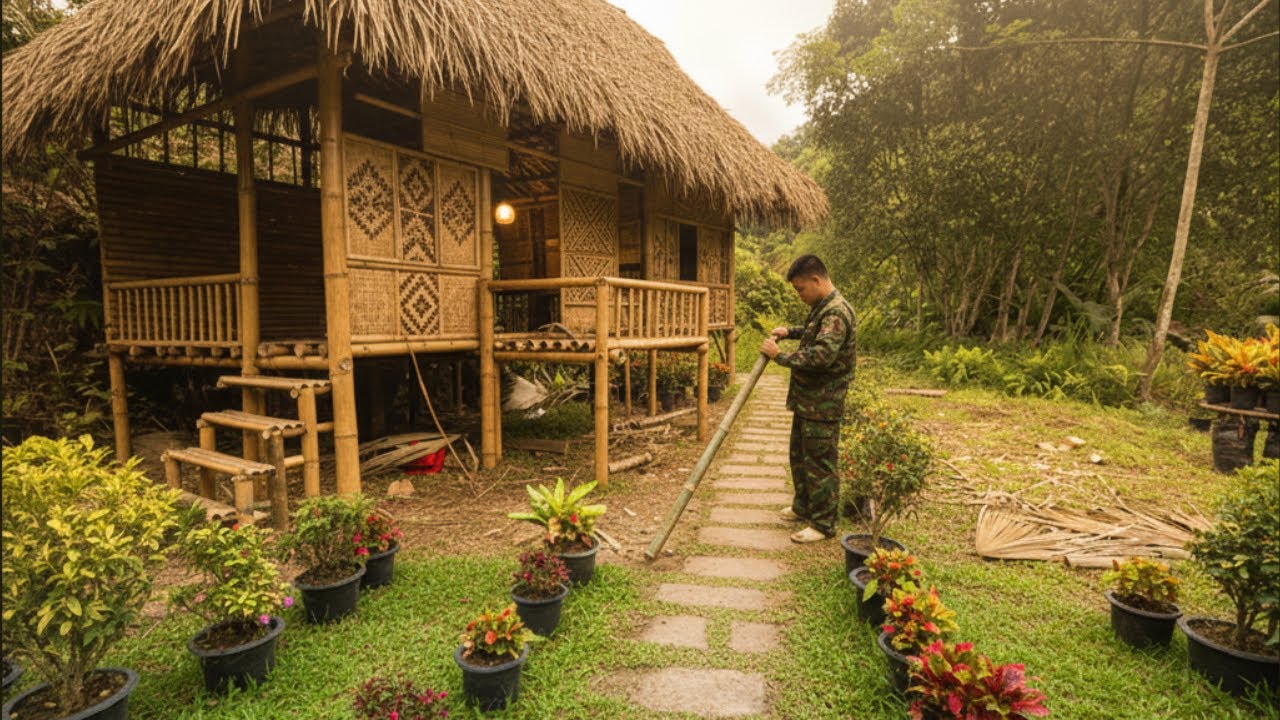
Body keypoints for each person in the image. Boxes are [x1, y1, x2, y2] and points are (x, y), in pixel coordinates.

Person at [760, 254, 856, 543]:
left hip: (823, 404)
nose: (799, 295)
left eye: (800, 289)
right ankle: (803, 507)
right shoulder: (823, 307)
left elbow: (822, 355)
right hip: (809, 401)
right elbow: (814, 335)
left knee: (820, 463)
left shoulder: (836, 312)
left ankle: (823, 524)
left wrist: (780, 356)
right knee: (800, 457)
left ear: (816, 280)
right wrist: (790, 332)